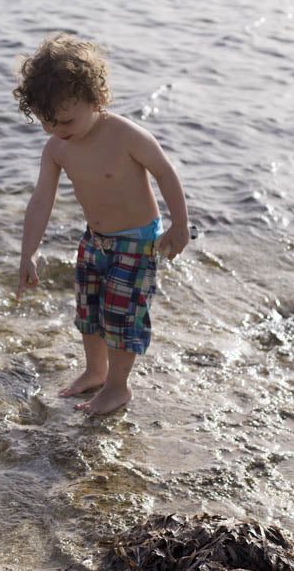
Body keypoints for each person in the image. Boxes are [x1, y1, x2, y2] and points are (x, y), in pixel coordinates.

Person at [14, 34, 190, 416]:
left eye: (65, 119)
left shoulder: (125, 135)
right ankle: (95, 371)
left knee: (121, 317)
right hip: (95, 240)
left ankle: (117, 387)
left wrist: (180, 225)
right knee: (89, 311)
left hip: (136, 242)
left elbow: (165, 172)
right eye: (46, 121)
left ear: (95, 100)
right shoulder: (58, 147)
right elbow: (41, 199)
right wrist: (28, 252)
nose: (57, 128)